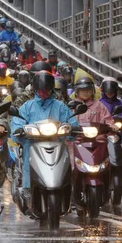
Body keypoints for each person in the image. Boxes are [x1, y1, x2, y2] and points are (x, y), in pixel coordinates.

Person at [10, 70, 78, 201]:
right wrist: (19, 130)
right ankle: (27, 187)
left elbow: (71, 120)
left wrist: (74, 128)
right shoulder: (27, 106)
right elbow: (17, 121)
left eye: (46, 89)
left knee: (67, 156)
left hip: (57, 142)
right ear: (35, 89)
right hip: (32, 143)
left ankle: (67, 187)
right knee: (28, 152)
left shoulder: (60, 106)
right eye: (40, 90)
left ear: (51, 88)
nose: (43, 92)